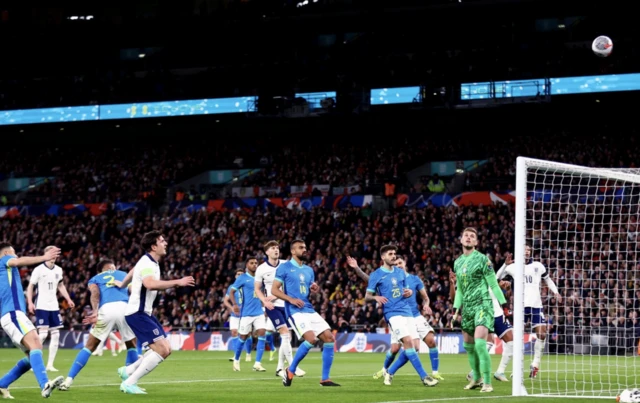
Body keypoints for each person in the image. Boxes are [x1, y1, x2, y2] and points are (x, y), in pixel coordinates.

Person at [115, 230, 195, 394]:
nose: (165, 243)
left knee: (166, 349)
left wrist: (122, 285)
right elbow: (150, 284)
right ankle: (130, 382)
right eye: (162, 241)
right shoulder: (147, 264)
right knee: (162, 350)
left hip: (144, 313)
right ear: (153, 246)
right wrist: (178, 282)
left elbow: (132, 271)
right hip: (138, 313)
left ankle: (128, 371)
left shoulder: (146, 261)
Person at [346, 255, 443, 381]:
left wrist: (426, 305)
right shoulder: (389, 277)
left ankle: (433, 372)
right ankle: (385, 370)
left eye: (400, 263)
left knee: (428, 341)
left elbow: (425, 297)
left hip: (414, 315)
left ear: (405, 263)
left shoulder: (414, 279)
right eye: (396, 264)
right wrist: (357, 268)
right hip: (397, 315)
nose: (398, 266)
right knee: (395, 348)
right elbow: (370, 279)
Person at [59, 259, 140, 391]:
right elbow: (134, 291)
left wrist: (95, 311)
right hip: (125, 308)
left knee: (89, 347)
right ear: (112, 267)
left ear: (101, 270)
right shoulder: (123, 274)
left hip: (106, 309)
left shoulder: (95, 278)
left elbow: (95, 294)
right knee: (132, 346)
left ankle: (68, 381)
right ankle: (130, 383)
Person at [0, 242, 64, 399]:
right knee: (36, 343)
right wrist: (44, 257)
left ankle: (2, 384)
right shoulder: (4, 260)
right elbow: (17, 261)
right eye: (13, 252)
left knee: (33, 354)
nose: (15, 255)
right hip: (13, 314)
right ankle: (44, 384)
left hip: (12, 315)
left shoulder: (5, 272)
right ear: (6, 253)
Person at [272, 239, 339, 387]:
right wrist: (291, 299)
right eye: (301, 247)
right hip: (294, 310)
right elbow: (274, 290)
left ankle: (325, 379)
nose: (305, 249)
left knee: (329, 338)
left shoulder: (309, 270)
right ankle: (291, 370)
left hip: (308, 309)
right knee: (311, 339)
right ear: (293, 251)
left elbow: (308, 289)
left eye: (305, 247)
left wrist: (314, 288)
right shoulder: (284, 268)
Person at [452, 227, 508, 393]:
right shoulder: (457, 262)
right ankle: (476, 378)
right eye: (466, 235)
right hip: (467, 307)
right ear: (461, 240)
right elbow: (460, 290)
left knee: (480, 343)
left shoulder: (484, 260)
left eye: (472, 236)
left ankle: (488, 382)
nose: (468, 238)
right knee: (468, 346)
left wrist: (504, 305)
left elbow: (493, 284)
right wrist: (455, 310)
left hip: (483, 304)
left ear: (476, 242)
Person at [496, 245, 562, 379]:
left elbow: (548, 280)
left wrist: (555, 292)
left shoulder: (538, 266)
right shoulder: (513, 267)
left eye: (528, 249)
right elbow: (496, 278)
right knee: (517, 339)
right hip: (520, 307)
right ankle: (515, 369)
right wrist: (504, 264)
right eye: (524, 249)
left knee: (542, 333)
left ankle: (535, 364)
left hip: (536, 306)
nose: (526, 251)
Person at [450, 254, 515, 383]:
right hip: (484, 314)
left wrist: (505, 269)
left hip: (497, 314)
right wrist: (452, 284)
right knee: (487, 342)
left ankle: (500, 371)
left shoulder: (491, 277)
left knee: (511, 342)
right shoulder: (468, 280)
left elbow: (498, 279)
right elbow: (455, 298)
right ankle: (475, 372)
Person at [254, 240, 305, 377]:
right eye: (272, 248)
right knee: (284, 332)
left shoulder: (286, 265)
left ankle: (280, 367)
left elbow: (292, 283)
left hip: (287, 305)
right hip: (272, 306)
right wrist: (264, 300)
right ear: (267, 252)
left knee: (286, 336)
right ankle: (293, 366)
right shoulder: (261, 269)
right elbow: (257, 289)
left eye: (277, 248)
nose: (276, 250)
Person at [26, 245, 75, 372]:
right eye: (52, 253)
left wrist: (68, 299)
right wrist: (30, 302)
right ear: (46, 254)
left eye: (55, 253)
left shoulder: (58, 270)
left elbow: (61, 286)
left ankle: (50, 365)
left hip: (54, 306)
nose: (54, 255)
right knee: (42, 335)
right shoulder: (38, 269)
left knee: (56, 334)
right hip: (41, 305)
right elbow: (30, 287)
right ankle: (33, 362)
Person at [229, 257, 267, 372]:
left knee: (262, 333)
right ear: (247, 265)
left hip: (259, 312)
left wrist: (265, 307)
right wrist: (235, 304)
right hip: (246, 313)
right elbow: (232, 291)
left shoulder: (260, 278)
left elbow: (263, 293)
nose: (254, 265)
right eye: (252, 263)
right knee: (243, 337)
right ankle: (236, 360)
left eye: (256, 263)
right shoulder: (242, 278)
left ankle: (257, 363)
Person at [224, 269, 253, 362]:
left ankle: (248, 353)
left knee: (247, 334)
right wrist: (232, 308)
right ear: (235, 276)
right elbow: (225, 300)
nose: (240, 275)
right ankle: (237, 355)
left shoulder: (247, 286)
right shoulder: (231, 287)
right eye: (238, 274)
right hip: (235, 314)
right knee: (234, 332)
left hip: (246, 314)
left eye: (241, 274)